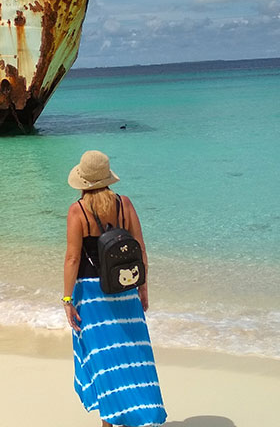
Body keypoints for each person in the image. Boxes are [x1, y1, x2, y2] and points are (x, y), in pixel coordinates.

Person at [63, 150, 167, 427]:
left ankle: (109, 421)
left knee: (105, 359)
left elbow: (73, 258)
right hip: (125, 289)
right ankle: (145, 415)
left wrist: (66, 299)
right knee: (134, 354)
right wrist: (142, 287)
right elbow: (140, 247)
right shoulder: (124, 204)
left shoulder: (78, 210)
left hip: (92, 295)